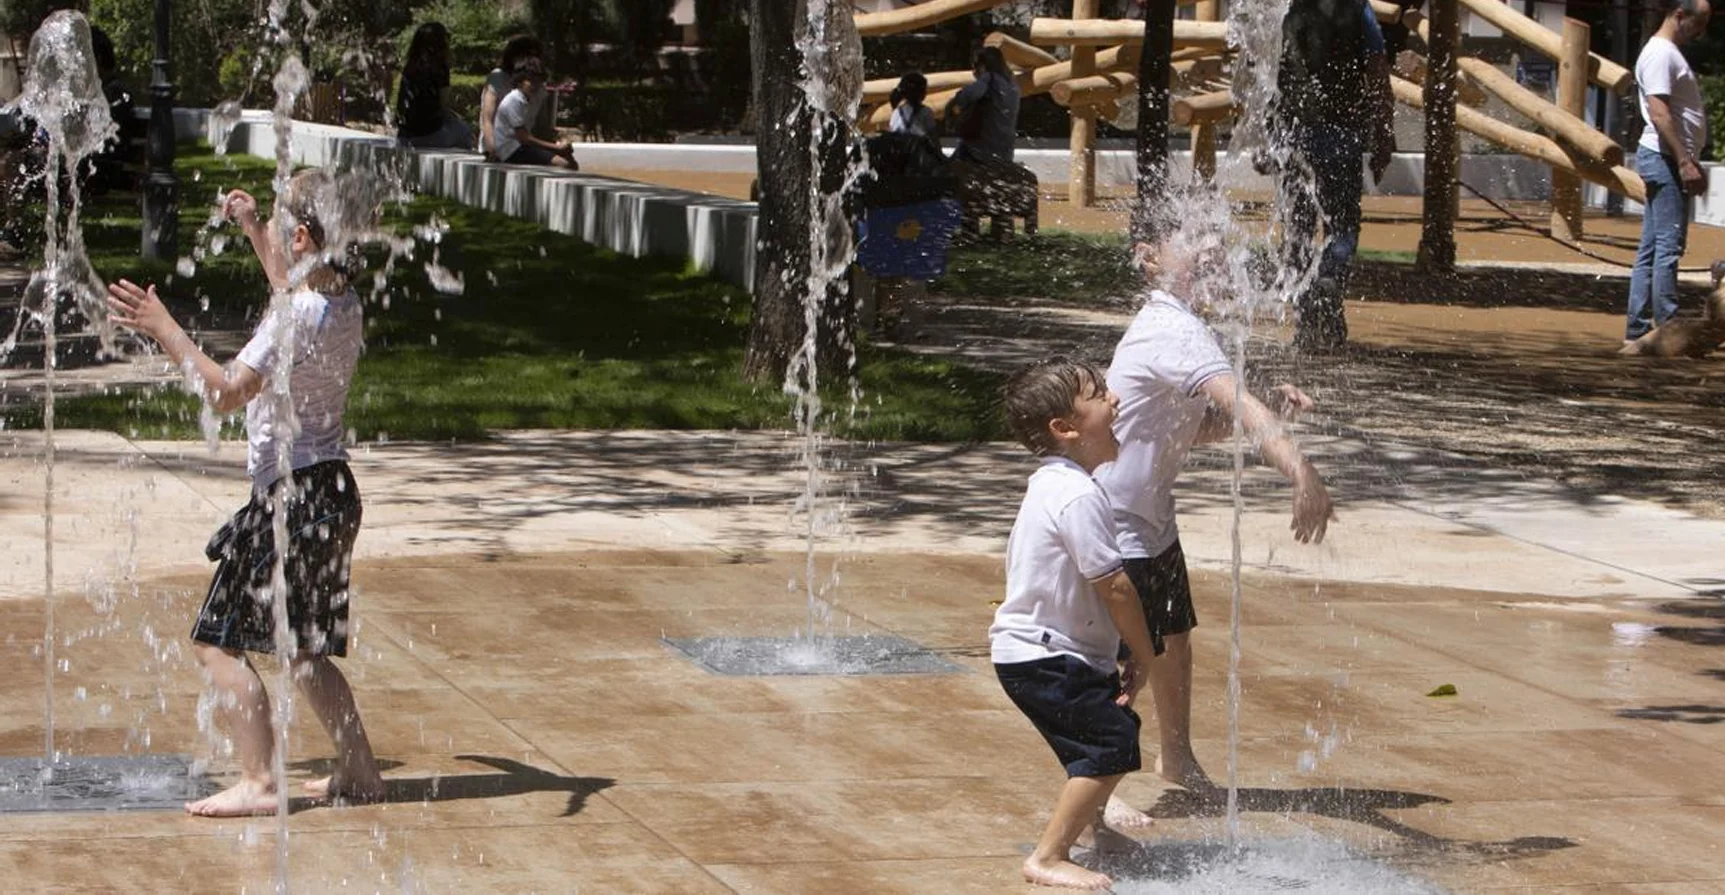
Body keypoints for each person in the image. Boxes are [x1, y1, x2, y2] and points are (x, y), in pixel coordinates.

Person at [104, 168, 382, 817]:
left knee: (217, 639)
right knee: (304, 649)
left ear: (307, 237)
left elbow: (227, 393)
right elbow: (288, 280)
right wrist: (257, 227)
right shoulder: (339, 300)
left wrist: (164, 327)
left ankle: (260, 780)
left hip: (288, 497)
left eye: (285, 233)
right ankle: (360, 769)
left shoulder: (292, 317)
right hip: (334, 490)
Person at [1092, 229, 1334, 824]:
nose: (1210, 251)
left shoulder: (1175, 325)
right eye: (1192, 240)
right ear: (1149, 258)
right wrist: (1300, 469)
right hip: (1114, 525)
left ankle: (1176, 759)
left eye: (1216, 242)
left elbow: (1192, 428)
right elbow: (1236, 402)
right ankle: (1096, 784)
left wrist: (1267, 411)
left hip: (1150, 522)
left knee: (1173, 642)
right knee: (1122, 660)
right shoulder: (1170, 326)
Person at [994, 357, 1161, 891]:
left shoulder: (1055, 483)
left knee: (1104, 735)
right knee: (1109, 745)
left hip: (1050, 651)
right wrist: (1143, 652)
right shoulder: (1077, 495)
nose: (1115, 401)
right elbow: (1113, 585)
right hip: (1046, 654)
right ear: (1065, 429)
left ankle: (1101, 833)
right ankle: (1048, 855)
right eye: (1100, 395)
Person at [1275, 0, 1395, 351]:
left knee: (1297, 229)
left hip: (1293, 134)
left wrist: (1265, 136)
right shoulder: (1359, 8)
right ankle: (1328, 284)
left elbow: (1265, 67)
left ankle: (1307, 318)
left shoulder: (1286, 6)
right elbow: (1376, 69)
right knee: (1342, 227)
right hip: (1341, 135)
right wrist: (1384, 132)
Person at [1625, 0, 1713, 346]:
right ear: (1679, 15)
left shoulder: (1663, 51)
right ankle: (1667, 324)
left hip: (1663, 158)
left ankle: (1640, 326)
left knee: (1651, 247)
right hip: (1663, 159)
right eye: (1698, 23)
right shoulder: (1661, 54)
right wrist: (1684, 160)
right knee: (1668, 247)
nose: (1701, 32)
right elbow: (1660, 114)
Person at [396, 22, 475, 150]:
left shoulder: (410, 67)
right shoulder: (440, 68)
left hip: (404, 135)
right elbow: (444, 105)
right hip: (429, 135)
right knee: (464, 132)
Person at [479, 34, 554, 160]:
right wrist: (492, 149)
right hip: (502, 147)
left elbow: (542, 124)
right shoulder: (497, 79)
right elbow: (487, 119)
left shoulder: (538, 86)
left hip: (521, 145)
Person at [493, 58, 577, 168]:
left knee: (571, 162)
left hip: (521, 147)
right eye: (530, 81)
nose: (534, 85)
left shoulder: (529, 99)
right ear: (520, 81)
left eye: (537, 81)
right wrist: (556, 147)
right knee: (563, 164)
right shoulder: (514, 100)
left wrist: (558, 147)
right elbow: (524, 137)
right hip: (511, 150)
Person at [946, 46, 1020, 165]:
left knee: (948, 169)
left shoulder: (990, 78)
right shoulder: (1013, 84)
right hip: (1006, 151)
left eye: (976, 65)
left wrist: (954, 106)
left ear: (983, 65)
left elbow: (968, 95)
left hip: (981, 149)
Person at [888, 71, 936, 139]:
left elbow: (891, 133)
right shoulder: (926, 112)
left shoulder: (896, 112)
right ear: (922, 93)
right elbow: (933, 137)